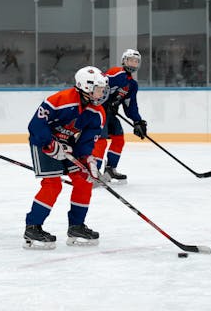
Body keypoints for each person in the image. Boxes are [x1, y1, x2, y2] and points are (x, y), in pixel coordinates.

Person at [23, 66, 108, 250]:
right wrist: (50, 144)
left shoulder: (98, 112)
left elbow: (86, 142)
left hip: (68, 145)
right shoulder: (60, 100)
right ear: (86, 87)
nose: (102, 92)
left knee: (84, 180)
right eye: (99, 89)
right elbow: (35, 125)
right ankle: (33, 227)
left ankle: (76, 226)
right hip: (42, 143)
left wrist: (88, 160)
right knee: (53, 184)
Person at [92, 49, 147, 184]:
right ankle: (94, 172)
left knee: (118, 138)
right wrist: (103, 102)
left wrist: (137, 121)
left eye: (136, 61)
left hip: (110, 113)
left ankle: (110, 169)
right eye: (130, 60)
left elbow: (130, 105)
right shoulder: (115, 73)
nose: (133, 64)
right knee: (101, 140)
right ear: (124, 61)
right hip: (98, 111)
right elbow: (99, 86)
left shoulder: (132, 85)